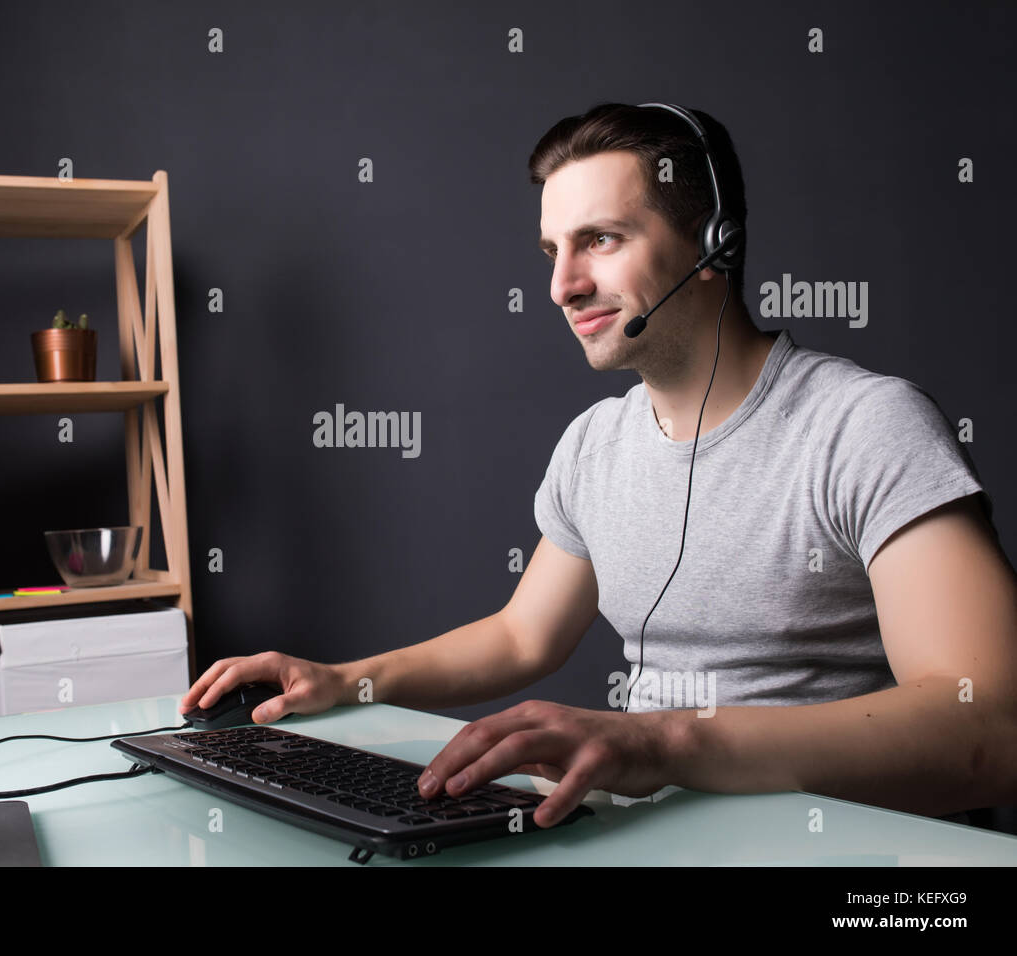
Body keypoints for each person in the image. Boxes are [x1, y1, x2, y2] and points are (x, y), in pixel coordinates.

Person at [181, 103, 1017, 830]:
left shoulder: (866, 426)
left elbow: (989, 726)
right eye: (551, 250)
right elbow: (521, 636)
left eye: (601, 240)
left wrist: (663, 740)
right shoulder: (595, 444)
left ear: (714, 242)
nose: (562, 286)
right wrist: (345, 682)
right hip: (646, 834)